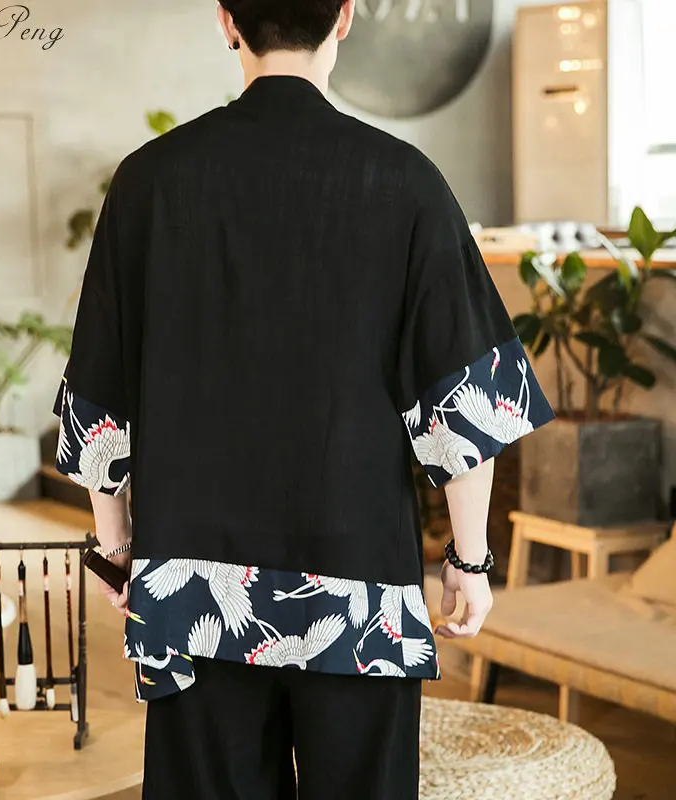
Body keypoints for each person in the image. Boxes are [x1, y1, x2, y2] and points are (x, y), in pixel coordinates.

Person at [53, 1, 555, 797]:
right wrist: (469, 560)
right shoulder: (405, 181)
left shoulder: (149, 180)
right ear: (345, 18)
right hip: (359, 589)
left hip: (193, 589)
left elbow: (99, 396)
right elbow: (465, 402)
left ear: (227, 21)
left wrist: (115, 548)